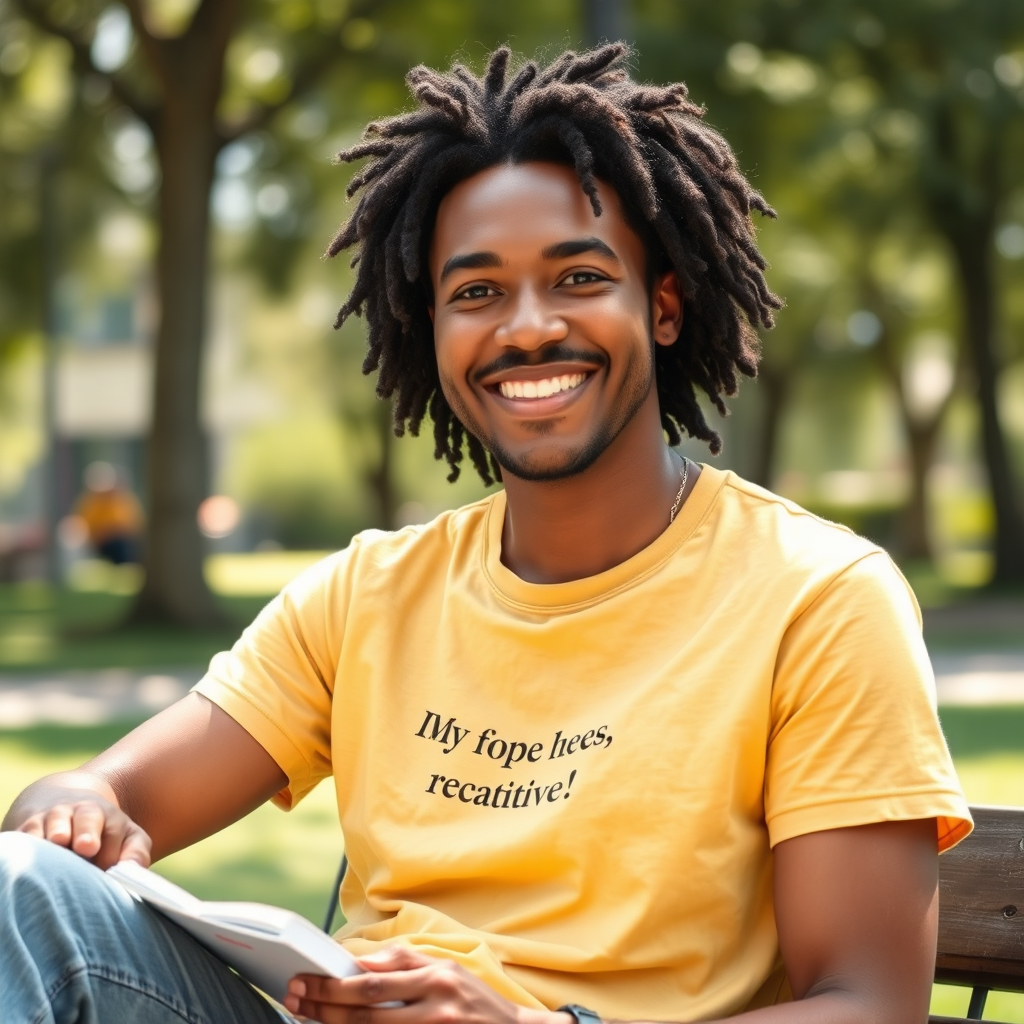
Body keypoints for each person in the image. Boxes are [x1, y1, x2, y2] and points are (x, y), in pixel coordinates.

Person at [0, 44, 970, 1024]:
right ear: (432, 331)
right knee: (18, 886)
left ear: (662, 306)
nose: (526, 327)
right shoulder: (371, 590)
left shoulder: (816, 595)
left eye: (580, 276)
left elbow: (870, 1002)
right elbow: (106, 790)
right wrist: (67, 799)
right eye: (475, 292)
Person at [74, 460, 144, 565]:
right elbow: (87, 526)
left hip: (126, 540)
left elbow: (136, 524)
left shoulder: (125, 500)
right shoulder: (91, 502)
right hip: (104, 543)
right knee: (121, 546)